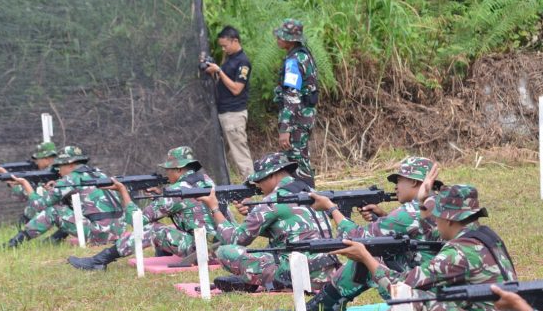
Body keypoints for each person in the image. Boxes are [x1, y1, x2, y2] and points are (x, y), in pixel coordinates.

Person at [305, 184, 521, 311]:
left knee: (412, 298)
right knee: (419, 297)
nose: (433, 222)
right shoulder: (482, 236)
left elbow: (399, 288)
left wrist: (366, 258)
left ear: (449, 220)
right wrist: (422, 199)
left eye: (437, 217)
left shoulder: (460, 253)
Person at [275, 156, 443, 311]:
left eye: (399, 180)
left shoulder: (410, 211)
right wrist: (383, 217)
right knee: (374, 251)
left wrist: (331, 208)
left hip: (421, 292)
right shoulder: (439, 204)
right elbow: (418, 234)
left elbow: (356, 238)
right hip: (437, 284)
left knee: (364, 255)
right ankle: (329, 304)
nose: (396, 187)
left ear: (414, 182)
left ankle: (320, 308)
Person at [198, 152, 339, 292]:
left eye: (259, 180)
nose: (258, 185)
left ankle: (277, 282)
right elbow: (286, 227)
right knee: (269, 247)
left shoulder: (273, 200)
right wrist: (254, 209)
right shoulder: (311, 191)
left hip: (298, 274)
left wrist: (215, 209)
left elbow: (234, 239)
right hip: (328, 271)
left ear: (272, 175)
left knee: (225, 251)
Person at [67, 146, 216, 270]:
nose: (167, 174)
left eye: (169, 170)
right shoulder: (207, 181)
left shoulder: (177, 192)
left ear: (179, 170)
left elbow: (137, 221)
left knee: (151, 229)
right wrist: (162, 195)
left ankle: (98, 261)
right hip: (220, 246)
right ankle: (161, 258)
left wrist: (123, 192)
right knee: (167, 228)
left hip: (204, 252)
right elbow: (190, 207)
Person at [3, 146, 124, 248]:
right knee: (63, 207)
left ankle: (14, 244)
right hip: (118, 231)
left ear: (70, 165)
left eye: (60, 166)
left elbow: (38, 205)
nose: (58, 171)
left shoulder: (70, 179)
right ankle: (53, 240)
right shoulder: (99, 173)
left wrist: (25, 184)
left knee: (54, 210)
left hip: (100, 234)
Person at [273, 18, 319, 186]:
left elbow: (292, 96)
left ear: (289, 40)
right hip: (304, 116)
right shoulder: (304, 55)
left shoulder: (293, 61)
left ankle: (308, 199)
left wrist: (285, 128)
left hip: (297, 118)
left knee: (298, 161)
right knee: (298, 158)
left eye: (281, 36)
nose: (278, 39)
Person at [204, 26, 254, 178]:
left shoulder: (243, 62)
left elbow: (236, 89)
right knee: (231, 152)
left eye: (225, 46)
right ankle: (242, 181)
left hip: (234, 113)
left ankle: (252, 184)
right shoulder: (229, 59)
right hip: (224, 111)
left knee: (240, 151)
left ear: (235, 41)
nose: (223, 49)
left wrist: (219, 71)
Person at [0, 141, 58, 227]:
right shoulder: (52, 171)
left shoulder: (56, 171)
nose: (36, 162)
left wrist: (6, 175)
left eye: (38, 159)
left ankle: (21, 226)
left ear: (47, 159)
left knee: (38, 196)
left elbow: (24, 193)